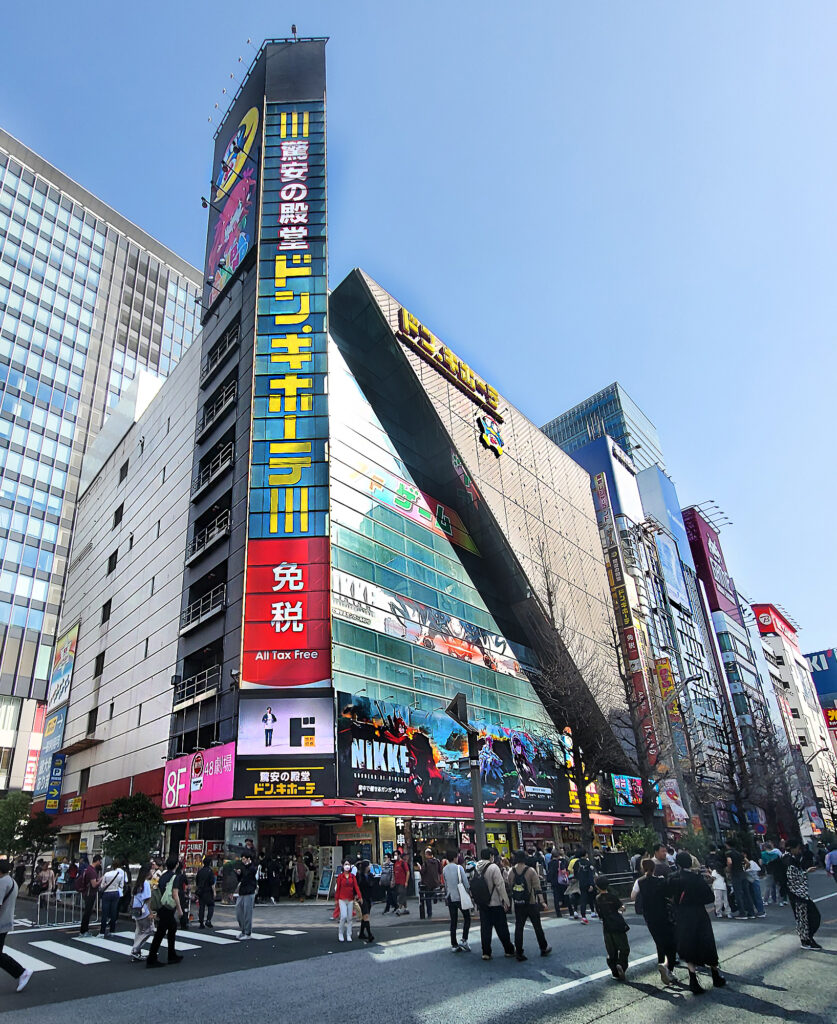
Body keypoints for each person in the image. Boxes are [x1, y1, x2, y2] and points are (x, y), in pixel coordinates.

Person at [667, 850, 725, 994]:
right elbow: (709, 898)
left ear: (677, 863)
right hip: (698, 913)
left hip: (681, 915)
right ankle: (716, 976)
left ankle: (693, 980)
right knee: (707, 943)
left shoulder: (672, 878)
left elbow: (667, 895)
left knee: (688, 945)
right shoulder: (696, 879)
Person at [632, 858, 677, 983]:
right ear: (654, 868)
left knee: (658, 940)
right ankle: (669, 967)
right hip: (663, 912)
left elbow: (632, 896)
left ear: (642, 868)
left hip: (649, 914)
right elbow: (669, 895)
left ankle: (661, 962)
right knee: (670, 940)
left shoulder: (639, 881)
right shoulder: (661, 880)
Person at [508, 849, 551, 961]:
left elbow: (509, 886)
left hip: (518, 903)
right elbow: (537, 888)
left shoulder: (511, 871)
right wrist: (542, 902)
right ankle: (543, 947)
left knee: (519, 927)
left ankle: (519, 951)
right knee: (537, 926)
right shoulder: (531, 871)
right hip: (531, 902)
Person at [473, 847, 515, 961]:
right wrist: (506, 901)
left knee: (485, 928)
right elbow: (500, 885)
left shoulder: (476, 867)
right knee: (501, 927)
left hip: (482, 903)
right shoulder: (493, 867)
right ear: (491, 856)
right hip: (495, 903)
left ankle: (486, 952)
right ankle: (508, 950)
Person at [146, 855, 185, 968]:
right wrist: (179, 909)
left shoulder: (162, 876)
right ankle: (152, 958)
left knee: (171, 928)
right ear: (176, 865)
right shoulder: (175, 877)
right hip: (168, 907)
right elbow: (175, 894)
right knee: (161, 932)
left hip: (161, 905)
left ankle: (171, 954)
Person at [785, 838, 823, 950]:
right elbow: (792, 877)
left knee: (804, 917)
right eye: (797, 848)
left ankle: (807, 939)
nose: (799, 850)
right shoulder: (789, 860)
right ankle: (806, 940)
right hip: (797, 894)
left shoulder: (788, 858)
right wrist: (806, 872)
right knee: (808, 917)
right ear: (792, 848)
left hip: (798, 893)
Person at [0, 859, 31, 992]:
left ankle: (21, 972)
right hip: (6, 922)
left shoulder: (2, 883)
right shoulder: (12, 881)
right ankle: (21, 972)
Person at [594, 875, 630, 981]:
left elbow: (599, 914)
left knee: (611, 950)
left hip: (607, 926)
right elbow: (622, 907)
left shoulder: (597, 899)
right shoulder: (613, 897)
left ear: (597, 886)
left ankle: (614, 972)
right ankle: (621, 965)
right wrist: (622, 909)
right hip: (617, 925)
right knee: (624, 948)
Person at [442, 852, 471, 952]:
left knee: (453, 921)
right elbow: (466, 883)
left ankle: (454, 944)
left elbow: (445, 883)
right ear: (455, 858)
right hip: (460, 896)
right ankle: (464, 939)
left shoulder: (444, 869)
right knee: (467, 917)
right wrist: (469, 893)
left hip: (450, 896)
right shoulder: (459, 868)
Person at [130, 863, 154, 961]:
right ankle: (135, 949)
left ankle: (137, 952)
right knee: (149, 930)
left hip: (136, 909)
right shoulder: (146, 884)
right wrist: (151, 912)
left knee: (139, 931)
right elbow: (147, 900)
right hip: (144, 911)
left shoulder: (138, 883)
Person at [726, 843, 756, 920]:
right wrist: (744, 869)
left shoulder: (729, 853)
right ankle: (751, 912)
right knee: (747, 893)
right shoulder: (739, 853)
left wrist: (729, 870)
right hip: (742, 874)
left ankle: (742, 913)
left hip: (735, 874)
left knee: (738, 894)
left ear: (727, 845)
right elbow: (748, 862)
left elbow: (729, 862)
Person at [335, 860, 362, 942]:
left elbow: (356, 887)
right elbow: (338, 888)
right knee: (343, 916)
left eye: (348, 864)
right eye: (345, 864)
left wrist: (359, 896)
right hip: (342, 899)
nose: (347, 866)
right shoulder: (340, 877)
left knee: (350, 918)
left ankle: (348, 934)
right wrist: (336, 899)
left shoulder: (352, 876)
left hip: (350, 899)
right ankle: (340, 933)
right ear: (343, 866)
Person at [98, 860, 126, 937]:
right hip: (116, 892)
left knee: (105, 913)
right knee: (114, 912)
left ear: (111, 866)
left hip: (107, 892)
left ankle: (102, 932)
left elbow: (102, 885)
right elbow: (121, 885)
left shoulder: (107, 874)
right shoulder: (119, 875)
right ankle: (112, 931)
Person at [235, 852, 258, 939]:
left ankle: (247, 933)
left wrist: (245, 868)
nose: (242, 860)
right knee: (239, 912)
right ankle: (243, 930)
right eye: (242, 859)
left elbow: (250, 874)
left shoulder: (252, 867)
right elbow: (241, 879)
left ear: (248, 859)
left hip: (249, 892)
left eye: (244, 859)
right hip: (242, 892)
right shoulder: (243, 867)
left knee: (247, 913)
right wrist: (239, 874)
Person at [78, 854, 102, 936]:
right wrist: (100, 880)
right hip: (90, 893)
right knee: (87, 912)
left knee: (87, 912)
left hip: (86, 892)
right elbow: (94, 884)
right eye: (100, 861)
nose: (100, 863)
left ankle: (84, 930)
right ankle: (84, 931)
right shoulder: (92, 871)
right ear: (98, 861)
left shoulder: (88, 869)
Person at [546, 849, 572, 917]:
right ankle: (571, 911)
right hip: (561, 881)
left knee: (556, 898)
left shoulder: (550, 863)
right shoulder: (560, 862)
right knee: (566, 896)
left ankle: (558, 913)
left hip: (554, 882)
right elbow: (564, 871)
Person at [573, 850, 596, 923]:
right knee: (592, 898)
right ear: (585, 854)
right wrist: (591, 884)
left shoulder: (576, 863)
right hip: (588, 883)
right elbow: (590, 874)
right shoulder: (588, 863)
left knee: (583, 899)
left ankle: (583, 916)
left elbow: (575, 874)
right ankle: (593, 912)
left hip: (581, 883)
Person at [357, 860, 375, 943]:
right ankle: (369, 934)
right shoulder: (359, 876)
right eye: (369, 865)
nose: (370, 866)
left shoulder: (371, 875)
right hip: (362, 898)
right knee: (366, 915)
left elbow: (372, 885)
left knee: (365, 915)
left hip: (369, 897)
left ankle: (361, 933)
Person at [420, 847, 442, 918]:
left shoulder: (426, 863)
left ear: (427, 854)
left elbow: (422, 872)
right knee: (431, 894)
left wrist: (420, 868)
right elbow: (440, 871)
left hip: (427, 883)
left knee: (427, 898)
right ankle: (434, 895)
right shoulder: (437, 861)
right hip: (435, 882)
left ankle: (429, 913)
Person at [195, 855, 216, 928]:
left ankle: (201, 923)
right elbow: (212, 883)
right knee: (211, 905)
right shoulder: (210, 871)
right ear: (210, 863)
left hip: (201, 891)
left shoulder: (200, 871)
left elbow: (197, 882)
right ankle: (208, 920)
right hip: (208, 891)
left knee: (202, 907)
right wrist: (214, 892)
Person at [761, 840, 782, 904]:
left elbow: (762, 863)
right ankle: (780, 901)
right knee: (778, 886)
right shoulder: (776, 854)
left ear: (765, 847)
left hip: (769, 871)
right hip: (777, 871)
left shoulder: (763, 854)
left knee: (768, 887)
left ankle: (765, 901)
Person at [392, 851, 410, 916]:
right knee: (403, 895)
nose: (395, 856)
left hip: (403, 882)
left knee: (401, 895)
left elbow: (407, 872)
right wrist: (393, 881)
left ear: (399, 855)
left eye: (396, 855)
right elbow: (394, 873)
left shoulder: (403, 863)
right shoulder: (395, 863)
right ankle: (406, 908)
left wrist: (406, 881)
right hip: (397, 882)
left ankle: (399, 909)